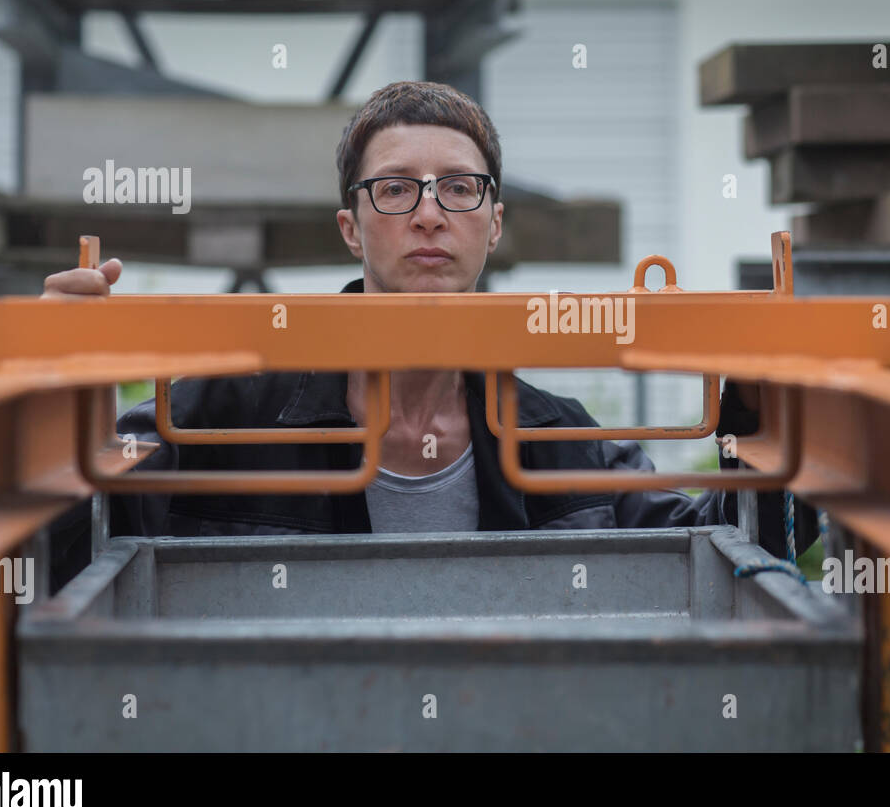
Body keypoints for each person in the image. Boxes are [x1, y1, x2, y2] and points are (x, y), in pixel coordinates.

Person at [46, 81, 816, 589]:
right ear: (351, 228)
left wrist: (770, 415)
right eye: (394, 189)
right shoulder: (215, 413)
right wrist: (56, 397)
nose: (428, 213)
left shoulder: (559, 438)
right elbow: (68, 558)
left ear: (493, 222)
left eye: (458, 188)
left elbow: (718, 560)